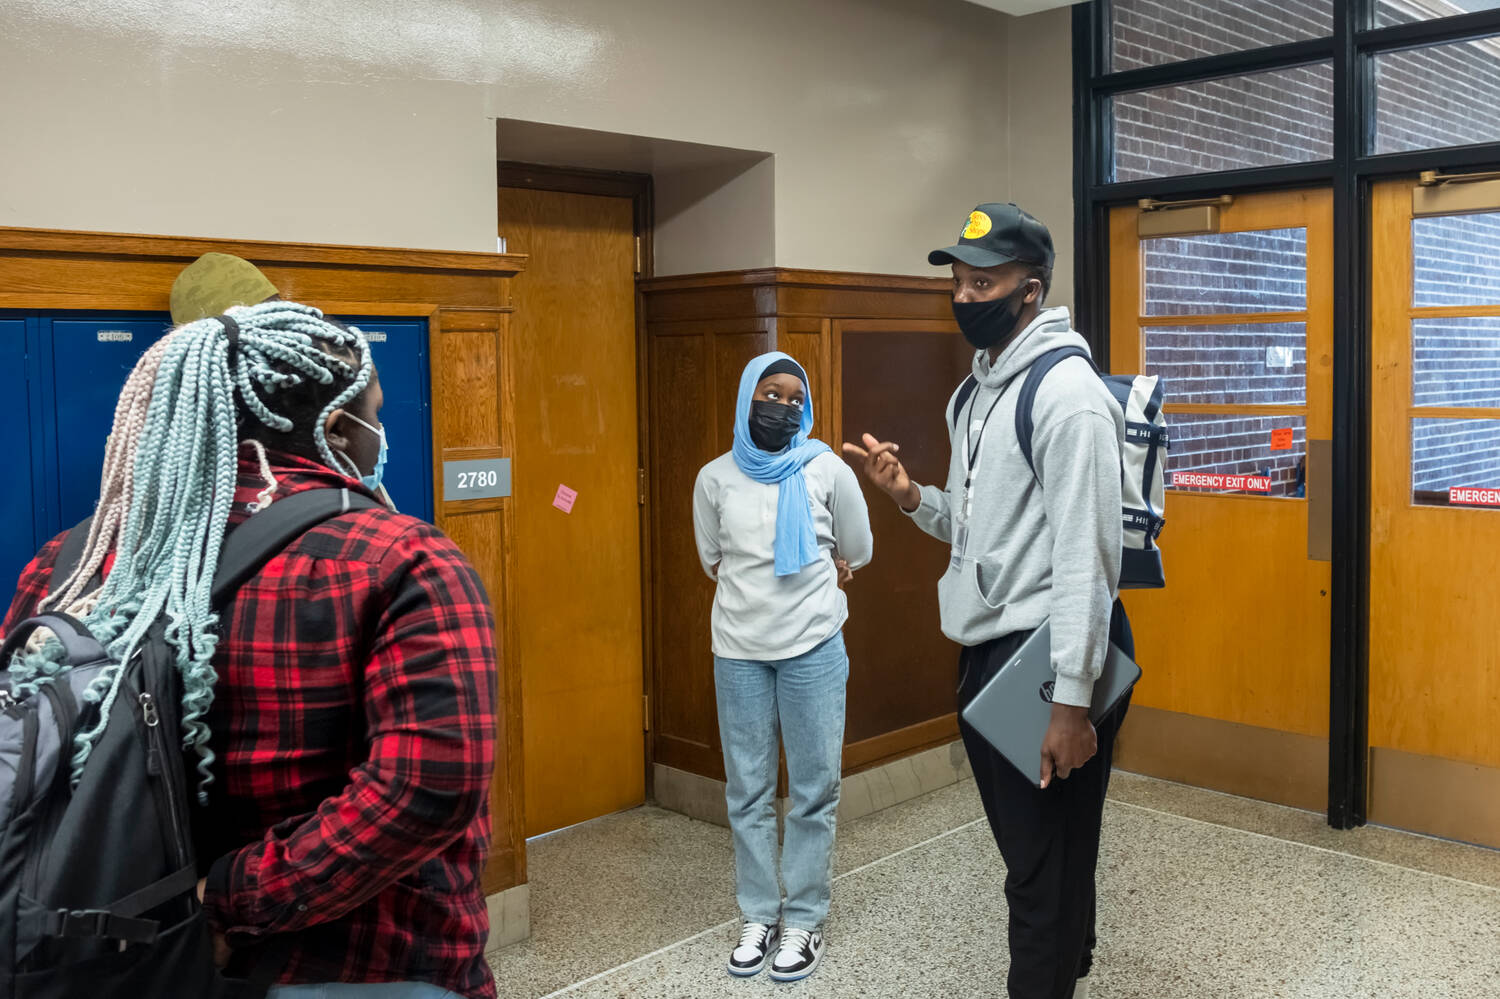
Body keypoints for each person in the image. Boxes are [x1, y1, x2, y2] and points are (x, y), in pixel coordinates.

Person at [2, 300, 499, 999]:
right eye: (377, 416)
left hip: (115, 955)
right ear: (336, 430)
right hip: (355, 964)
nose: (381, 435)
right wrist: (225, 905)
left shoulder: (69, 561)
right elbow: (428, 787)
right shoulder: (402, 561)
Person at [842, 203, 1131, 999]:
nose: (966, 298)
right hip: (989, 650)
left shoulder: (1067, 395)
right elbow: (981, 528)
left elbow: (1087, 557)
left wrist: (1072, 702)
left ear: (1030, 290)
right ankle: (1068, 961)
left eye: (984, 283)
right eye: (960, 282)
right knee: (1043, 855)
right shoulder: (974, 394)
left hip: (1052, 653)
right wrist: (911, 497)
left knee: (1039, 869)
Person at [692, 351, 873, 983]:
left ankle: (804, 919)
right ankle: (758, 914)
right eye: (771, 394)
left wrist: (829, 563)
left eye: (796, 399)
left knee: (814, 790)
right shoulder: (714, 478)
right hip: (738, 650)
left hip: (814, 645)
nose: (784, 407)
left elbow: (858, 548)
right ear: (748, 397)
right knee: (747, 792)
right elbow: (712, 557)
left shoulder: (825, 468)